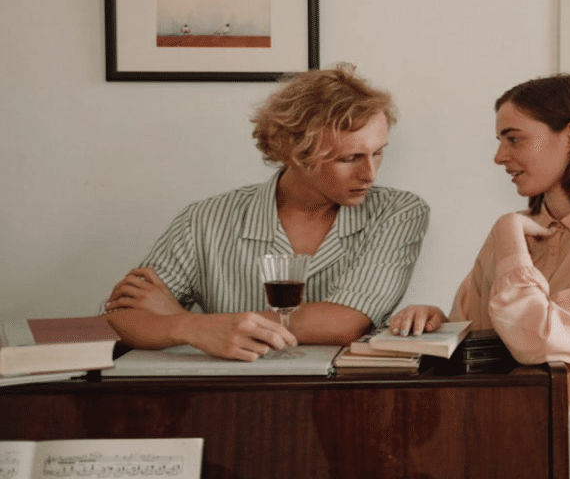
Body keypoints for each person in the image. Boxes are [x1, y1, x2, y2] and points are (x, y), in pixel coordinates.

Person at [388, 74, 570, 479]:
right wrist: (436, 323)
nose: (499, 156)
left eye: (513, 138)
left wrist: (509, 239)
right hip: (486, 426)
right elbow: (478, 344)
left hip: (569, 432)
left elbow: (539, 343)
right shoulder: (512, 230)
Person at [104, 63, 430, 362]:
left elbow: (345, 322)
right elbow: (122, 317)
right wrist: (191, 329)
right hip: (230, 399)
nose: (370, 174)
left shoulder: (398, 213)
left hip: (343, 402)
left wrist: (190, 321)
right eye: (349, 159)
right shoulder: (205, 221)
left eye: (378, 153)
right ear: (294, 152)